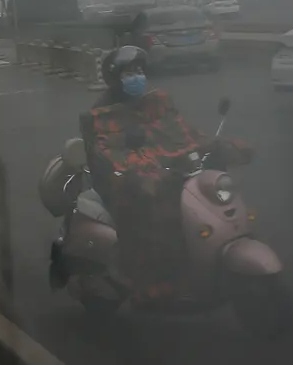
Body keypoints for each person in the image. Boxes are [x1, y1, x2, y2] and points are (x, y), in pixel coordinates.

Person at [82, 45, 251, 306]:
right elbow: (109, 156)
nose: (137, 77)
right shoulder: (103, 115)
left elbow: (185, 134)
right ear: (116, 78)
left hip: (169, 173)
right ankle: (154, 287)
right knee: (160, 218)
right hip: (128, 184)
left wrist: (218, 146)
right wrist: (141, 173)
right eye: (129, 73)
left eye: (139, 70)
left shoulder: (156, 102)